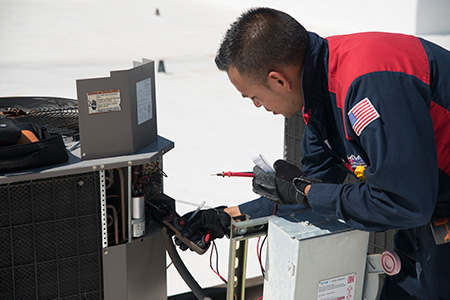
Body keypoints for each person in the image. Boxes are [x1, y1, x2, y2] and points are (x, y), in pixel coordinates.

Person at [179, 7, 450, 299]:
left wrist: (305, 192)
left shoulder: (366, 88)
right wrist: (230, 216)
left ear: (278, 80)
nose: (257, 105)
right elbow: (312, 186)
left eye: (253, 96)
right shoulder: (321, 84)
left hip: (426, 209)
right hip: (427, 215)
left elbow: (404, 202)